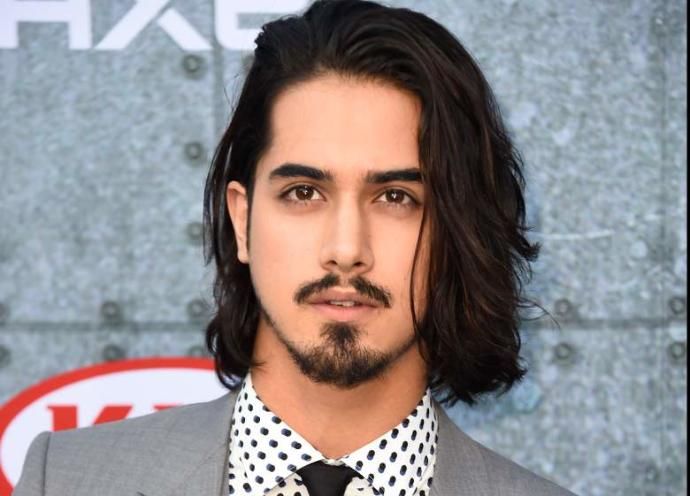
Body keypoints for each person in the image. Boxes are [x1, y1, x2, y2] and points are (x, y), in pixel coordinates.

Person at [14, 1, 577, 495]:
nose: (346, 249)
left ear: (458, 231)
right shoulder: (65, 479)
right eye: (304, 192)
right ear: (242, 220)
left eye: (397, 197)